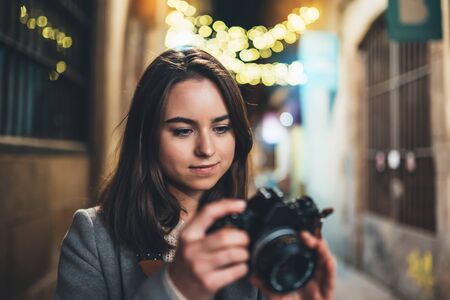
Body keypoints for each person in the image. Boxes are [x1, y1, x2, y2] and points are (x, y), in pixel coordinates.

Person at [55, 48, 335, 300]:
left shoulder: (259, 234)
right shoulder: (92, 235)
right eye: (183, 131)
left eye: (221, 128)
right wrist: (175, 289)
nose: (206, 148)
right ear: (146, 137)